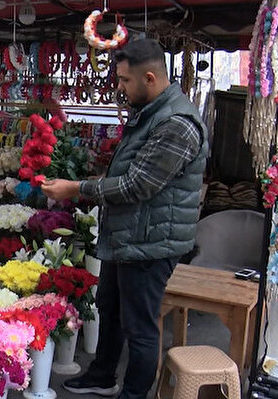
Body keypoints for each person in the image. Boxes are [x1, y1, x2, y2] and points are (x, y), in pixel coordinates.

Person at [41, 38, 208, 399]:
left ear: (149, 78)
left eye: (124, 81)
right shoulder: (151, 112)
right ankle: (102, 375)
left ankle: (133, 394)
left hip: (151, 243)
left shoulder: (177, 123)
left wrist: (76, 189)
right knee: (110, 309)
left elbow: (137, 186)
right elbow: (132, 172)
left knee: (140, 328)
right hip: (130, 236)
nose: (119, 87)